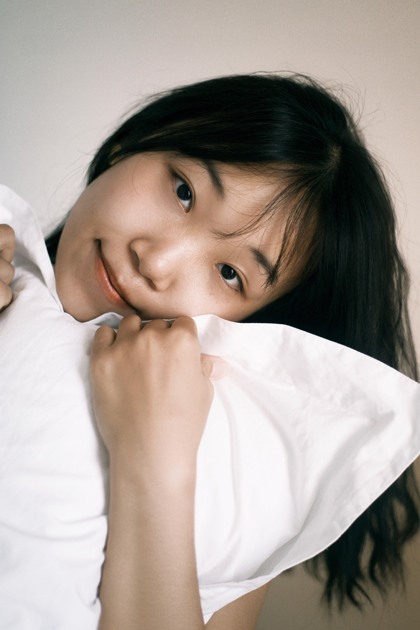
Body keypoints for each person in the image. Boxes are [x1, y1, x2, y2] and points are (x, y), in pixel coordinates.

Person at [0, 73, 419, 629]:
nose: (155, 260)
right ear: (132, 145)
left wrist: (153, 459)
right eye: (183, 192)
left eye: (229, 273)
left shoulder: (228, 477)